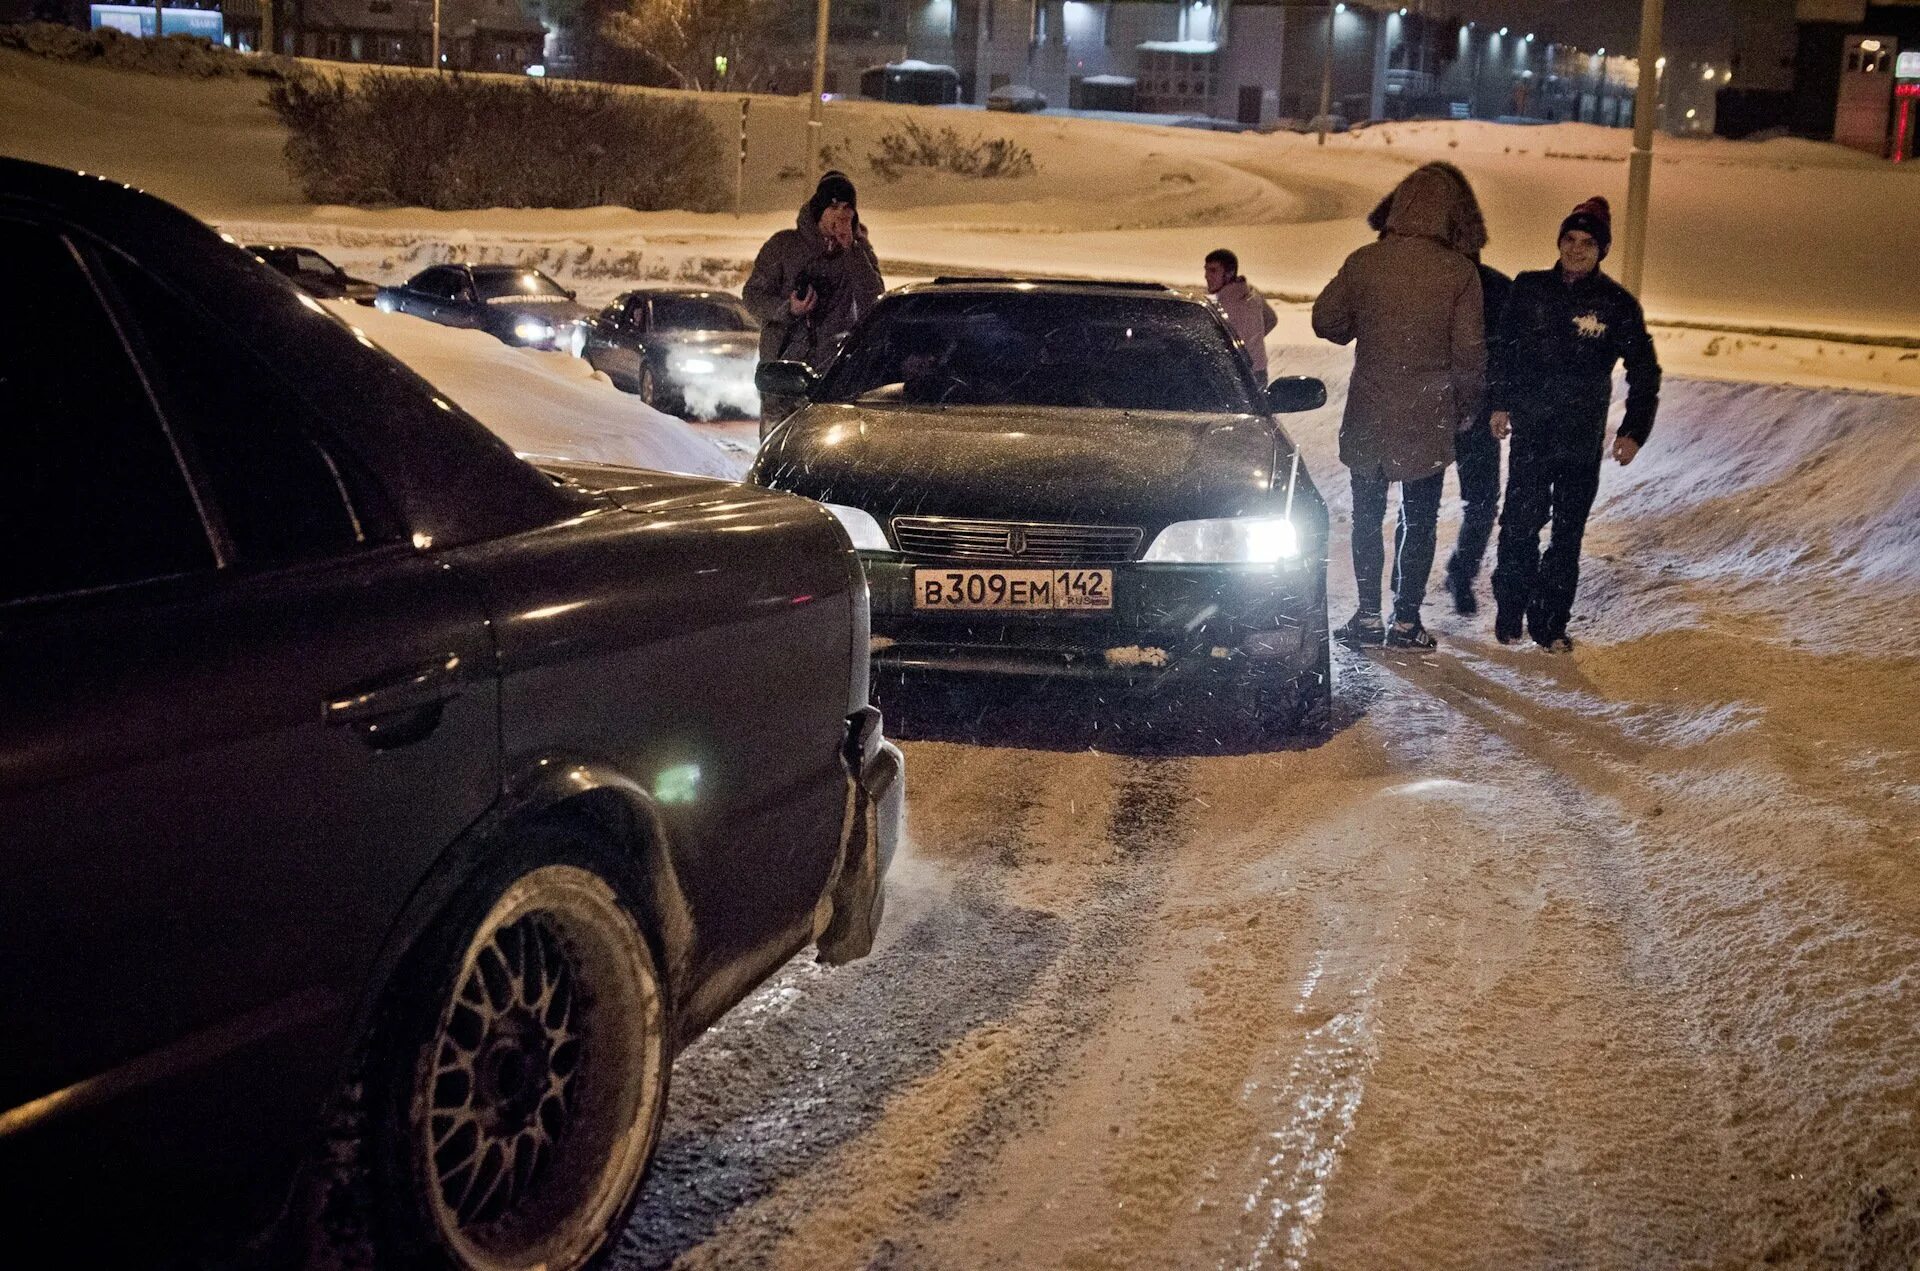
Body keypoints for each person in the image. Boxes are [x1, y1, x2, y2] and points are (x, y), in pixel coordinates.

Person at [1312, 164, 1486, 651]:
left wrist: (1363, 321)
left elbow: (1327, 320)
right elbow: (1470, 352)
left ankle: (1367, 615)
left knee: (1367, 516)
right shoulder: (1458, 272)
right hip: (1428, 415)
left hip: (1369, 409)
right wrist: (1465, 407)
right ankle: (1406, 621)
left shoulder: (1365, 262)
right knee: (1421, 517)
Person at [1488, 196, 1661, 652]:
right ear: (1559, 241)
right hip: (1532, 431)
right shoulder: (1529, 288)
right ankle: (1510, 612)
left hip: (1580, 440)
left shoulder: (1616, 304)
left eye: (1588, 242)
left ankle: (1550, 626)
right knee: (1520, 525)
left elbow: (1645, 371)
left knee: (1567, 535)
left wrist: (1632, 431)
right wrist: (1500, 403)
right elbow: (1504, 350)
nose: (1577, 249)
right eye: (1570, 239)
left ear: (1601, 250)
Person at [1361, 165, 1508, 617]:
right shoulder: (1485, 285)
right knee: (1451, 500)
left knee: (1431, 504)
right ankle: (1431, 584)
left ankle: (1436, 583)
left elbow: (1503, 352)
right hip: (1449, 408)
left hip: (1453, 409)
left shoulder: (1491, 288)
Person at [744, 170, 885, 434]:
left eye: (847, 207)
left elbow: (874, 301)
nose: (841, 214)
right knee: (779, 456)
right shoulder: (784, 246)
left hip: (833, 380)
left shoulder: (859, 252)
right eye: (833, 206)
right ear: (819, 209)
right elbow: (752, 296)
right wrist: (789, 308)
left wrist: (852, 251)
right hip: (784, 377)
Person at [1204, 248, 1279, 381]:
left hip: (1237, 377)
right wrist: (1253, 340)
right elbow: (1271, 320)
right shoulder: (1252, 294)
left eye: (1213, 271)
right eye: (1206, 270)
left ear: (1229, 273)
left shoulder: (1221, 307)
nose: (1206, 275)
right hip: (1259, 371)